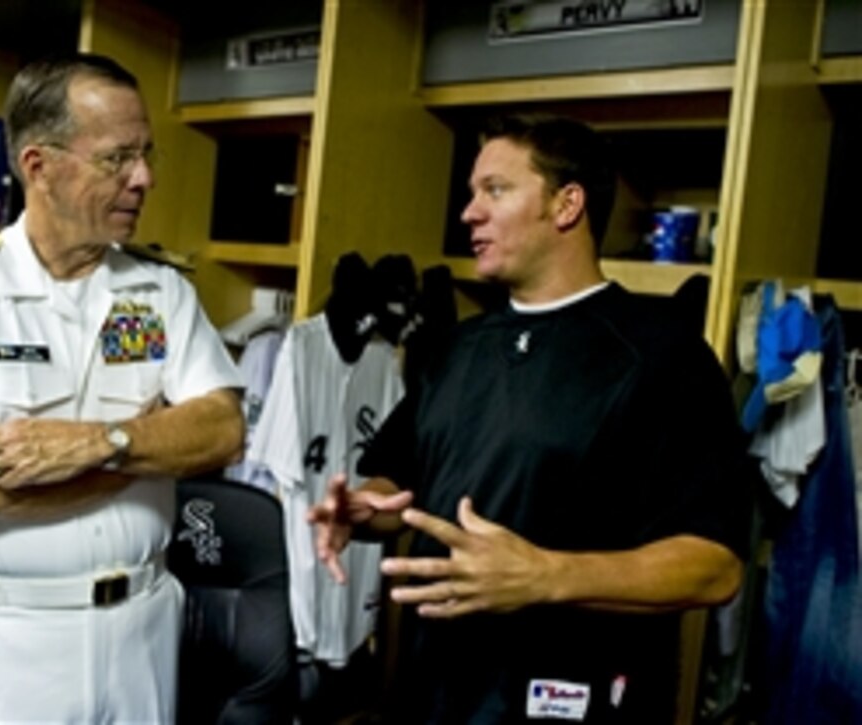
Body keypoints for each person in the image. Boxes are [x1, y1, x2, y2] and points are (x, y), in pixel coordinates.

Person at [309, 114, 752, 724]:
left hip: (576, 699)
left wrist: (546, 575)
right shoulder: (456, 349)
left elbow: (715, 567)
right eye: (472, 193)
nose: (469, 212)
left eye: (495, 190)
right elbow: (398, 481)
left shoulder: (662, 356)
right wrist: (364, 509)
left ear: (566, 205)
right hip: (432, 696)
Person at [0, 53, 245, 722]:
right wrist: (146, 451)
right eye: (116, 158)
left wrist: (98, 441)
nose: (144, 178)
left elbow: (221, 429)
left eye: (146, 154)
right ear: (38, 165)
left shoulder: (161, 290)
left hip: (142, 631)